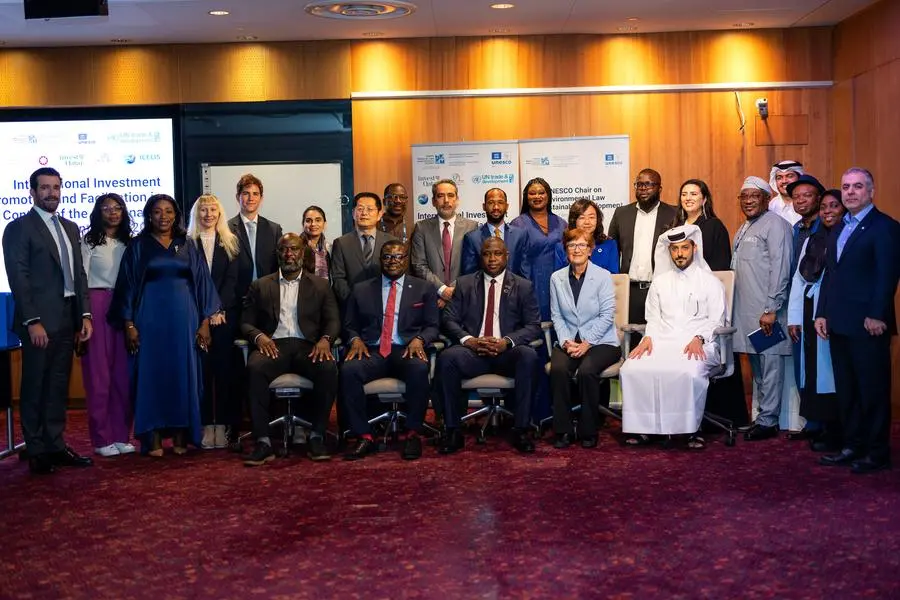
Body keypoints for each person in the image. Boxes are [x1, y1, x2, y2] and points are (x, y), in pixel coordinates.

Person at [110, 194, 220, 457]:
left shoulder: (188, 244)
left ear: (176, 215)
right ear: (149, 215)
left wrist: (205, 322)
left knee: (183, 377)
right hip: (149, 321)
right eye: (158, 211)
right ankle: (154, 439)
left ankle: (182, 436)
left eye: (169, 211)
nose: (164, 216)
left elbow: (202, 283)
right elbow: (127, 286)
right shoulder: (138, 245)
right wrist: (129, 324)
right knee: (152, 377)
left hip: (185, 322)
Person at [3, 167, 94, 474]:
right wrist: (32, 321)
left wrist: (84, 314)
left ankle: (55, 445)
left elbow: (79, 274)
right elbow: (19, 277)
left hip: (68, 318)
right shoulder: (19, 228)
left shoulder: (70, 227)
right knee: (35, 386)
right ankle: (36, 449)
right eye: (44, 187)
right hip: (39, 322)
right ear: (32, 192)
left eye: (56, 187)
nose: (51, 193)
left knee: (57, 386)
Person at [816, 168, 900, 474]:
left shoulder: (885, 227)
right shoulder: (839, 227)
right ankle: (853, 445)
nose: (850, 192)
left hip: (868, 325)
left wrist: (878, 314)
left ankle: (877, 453)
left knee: (872, 391)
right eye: (846, 187)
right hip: (839, 323)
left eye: (858, 186)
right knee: (848, 390)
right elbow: (831, 275)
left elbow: (887, 275)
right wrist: (822, 312)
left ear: (871, 192)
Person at [620, 225, 727, 449]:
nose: (679, 254)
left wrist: (699, 338)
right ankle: (645, 429)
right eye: (675, 249)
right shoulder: (660, 282)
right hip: (661, 341)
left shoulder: (710, 282)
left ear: (694, 248)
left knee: (689, 371)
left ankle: (691, 430)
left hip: (700, 343)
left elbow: (717, 320)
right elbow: (653, 317)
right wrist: (648, 337)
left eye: (684, 248)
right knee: (631, 368)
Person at [240, 234, 340, 466]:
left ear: (302, 253)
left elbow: (333, 320)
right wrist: (259, 337)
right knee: (254, 368)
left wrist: (326, 340)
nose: (289, 254)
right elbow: (245, 322)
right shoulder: (261, 285)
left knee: (328, 368)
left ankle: (317, 436)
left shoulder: (320, 285)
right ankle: (263, 442)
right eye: (284, 250)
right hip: (273, 346)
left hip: (308, 347)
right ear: (277, 254)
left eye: (294, 249)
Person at [436, 237, 542, 454]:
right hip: (474, 353)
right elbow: (448, 320)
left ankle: (521, 429)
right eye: (486, 254)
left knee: (528, 356)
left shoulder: (523, 286)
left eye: (497, 253)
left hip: (506, 353)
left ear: (506, 256)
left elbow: (533, 325)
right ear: (480, 257)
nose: (492, 259)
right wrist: (469, 340)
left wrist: (507, 342)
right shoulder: (464, 284)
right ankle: (453, 430)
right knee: (447, 358)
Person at [341, 240, 440, 461]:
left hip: (406, 349)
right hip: (372, 350)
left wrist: (420, 339)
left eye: (398, 256)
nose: (392, 261)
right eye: (387, 256)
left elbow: (433, 325)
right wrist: (355, 339)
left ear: (406, 259)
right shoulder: (361, 289)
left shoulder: (424, 288)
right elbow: (349, 325)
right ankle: (364, 435)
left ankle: (412, 433)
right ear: (380, 260)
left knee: (418, 368)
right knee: (349, 370)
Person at [731, 177, 794, 441]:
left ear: (767, 199)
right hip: (748, 314)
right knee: (759, 368)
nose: (748, 201)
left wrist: (771, 308)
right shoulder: (746, 226)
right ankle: (762, 417)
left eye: (754, 196)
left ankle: (769, 421)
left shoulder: (776, 225)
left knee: (770, 367)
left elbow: (781, 268)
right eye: (744, 196)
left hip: (767, 314)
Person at [548, 228, 621, 449]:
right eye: (572, 245)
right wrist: (566, 342)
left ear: (590, 250)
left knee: (587, 371)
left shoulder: (603, 276)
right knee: (558, 369)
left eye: (582, 245)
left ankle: (588, 430)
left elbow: (607, 315)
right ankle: (563, 430)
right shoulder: (556, 278)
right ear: (566, 250)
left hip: (602, 342)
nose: (576, 249)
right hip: (569, 340)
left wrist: (587, 343)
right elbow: (557, 316)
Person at [787, 189, 844, 453]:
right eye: (824, 207)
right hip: (811, 312)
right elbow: (799, 279)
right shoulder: (813, 239)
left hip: (835, 312)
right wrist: (794, 318)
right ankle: (819, 424)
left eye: (834, 206)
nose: (827, 211)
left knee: (831, 373)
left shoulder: (845, 236)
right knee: (814, 371)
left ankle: (836, 429)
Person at [79, 192, 133, 458]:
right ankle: (102, 438)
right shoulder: (89, 241)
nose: (112, 212)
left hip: (123, 307)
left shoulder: (129, 243)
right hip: (97, 305)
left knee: (123, 376)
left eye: (117, 207)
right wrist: (85, 315)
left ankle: (121, 435)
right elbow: (81, 279)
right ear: (98, 212)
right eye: (106, 208)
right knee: (99, 376)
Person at [187, 194, 240, 450]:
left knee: (224, 372)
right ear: (196, 214)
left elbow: (232, 281)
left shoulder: (230, 242)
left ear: (220, 214)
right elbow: (189, 283)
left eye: (213, 210)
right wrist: (204, 314)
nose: (208, 214)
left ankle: (224, 425)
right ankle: (207, 425)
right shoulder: (187, 243)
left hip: (223, 317)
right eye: (203, 210)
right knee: (202, 374)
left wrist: (217, 309)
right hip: (195, 317)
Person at [607, 169, 678, 337]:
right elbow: (612, 249)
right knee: (630, 341)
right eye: (639, 184)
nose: (643, 188)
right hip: (630, 291)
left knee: (660, 339)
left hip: (660, 289)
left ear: (659, 188)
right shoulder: (621, 214)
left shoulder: (674, 214)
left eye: (648, 184)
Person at [783, 174, 825, 441]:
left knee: (821, 367)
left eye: (807, 195)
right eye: (796, 197)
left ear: (818, 198)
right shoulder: (796, 229)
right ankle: (811, 422)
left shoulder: (828, 227)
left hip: (820, 307)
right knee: (803, 366)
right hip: (798, 306)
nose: (800, 201)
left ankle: (825, 424)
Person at [410, 179, 478, 307]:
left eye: (451, 195)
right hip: (432, 299)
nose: (446, 200)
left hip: (462, 298)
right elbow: (419, 265)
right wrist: (442, 290)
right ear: (433, 201)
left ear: (457, 200)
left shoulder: (472, 227)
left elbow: (473, 266)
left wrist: (452, 291)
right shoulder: (421, 228)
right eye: (440, 196)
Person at [509, 177, 567, 320]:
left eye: (541, 193)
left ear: (548, 195)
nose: (537, 196)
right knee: (534, 323)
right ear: (526, 197)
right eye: (532, 193)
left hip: (559, 283)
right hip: (530, 283)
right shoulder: (517, 224)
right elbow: (512, 262)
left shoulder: (561, 223)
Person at [332, 192, 398, 305]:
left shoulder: (392, 242)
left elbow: (397, 275)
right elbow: (338, 279)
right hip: (352, 306)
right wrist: (353, 301)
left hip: (384, 304)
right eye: (360, 209)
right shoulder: (341, 243)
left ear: (379, 214)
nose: (364, 213)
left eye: (370, 209)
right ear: (353, 214)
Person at [227, 173, 283, 305]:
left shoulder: (274, 229)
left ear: (261, 198)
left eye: (255, 194)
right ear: (238, 197)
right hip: (236, 300)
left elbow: (279, 265)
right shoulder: (226, 229)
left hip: (268, 298)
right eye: (246, 193)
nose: (251, 198)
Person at [461, 187, 530, 278]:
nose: (496, 207)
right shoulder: (472, 238)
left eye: (500, 202)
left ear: (507, 206)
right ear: (484, 206)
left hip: (515, 286)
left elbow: (525, 272)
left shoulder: (520, 235)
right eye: (491, 203)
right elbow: (470, 276)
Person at [671, 179, 732, 271]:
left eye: (693, 194)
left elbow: (722, 263)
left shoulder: (714, 226)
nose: (688, 198)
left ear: (704, 199)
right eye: (684, 194)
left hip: (706, 278)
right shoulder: (675, 225)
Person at [553, 198, 619, 273]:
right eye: (582, 218)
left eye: (591, 217)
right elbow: (559, 277)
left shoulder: (609, 244)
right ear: (574, 221)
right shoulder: (561, 247)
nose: (587, 222)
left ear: (598, 220)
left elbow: (614, 276)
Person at [767, 160, 805, 225]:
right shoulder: (770, 208)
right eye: (779, 178)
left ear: (799, 178)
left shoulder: (808, 203)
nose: (784, 181)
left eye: (789, 176)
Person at [301, 205, 331, 281]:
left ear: (324, 224)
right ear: (303, 224)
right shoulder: (296, 247)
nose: (313, 224)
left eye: (318, 220)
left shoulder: (330, 248)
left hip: (326, 287)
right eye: (308, 221)